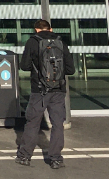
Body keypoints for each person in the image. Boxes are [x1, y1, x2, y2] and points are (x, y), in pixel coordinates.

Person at [15, 19, 75, 169]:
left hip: (39, 90)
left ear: (36, 30)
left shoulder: (32, 42)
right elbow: (71, 69)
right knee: (57, 125)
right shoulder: (61, 42)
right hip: (58, 90)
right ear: (51, 29)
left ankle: (25, 156)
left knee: (33, 123)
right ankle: (56, 159)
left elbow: (24, 66)